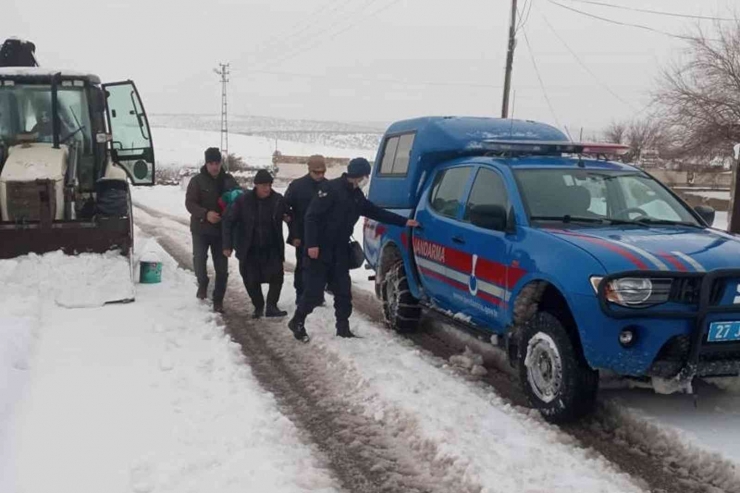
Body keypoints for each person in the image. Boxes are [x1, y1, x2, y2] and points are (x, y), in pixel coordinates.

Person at [288, 157, 420, 342]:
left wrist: (404, 221)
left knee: (343, 291)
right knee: (313, 292)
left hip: (340, 249)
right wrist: (312, 245)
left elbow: (375, 212)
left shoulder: (356, 194)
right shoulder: (330, 189)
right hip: (321, 249)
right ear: (359, 174)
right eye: (366, 175)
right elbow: (311, 217)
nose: (366, 178)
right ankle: (297, 321)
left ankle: (343, 328)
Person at [223, 169, 289, 319]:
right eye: (263, 185)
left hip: (272, 247)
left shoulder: (278, 199)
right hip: (249, 247)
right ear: (256, 185)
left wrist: (289, 219)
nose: (267, 188)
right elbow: (228, 221)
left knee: (277, 277)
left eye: (269, 185)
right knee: (250, 279)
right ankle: (258, 305)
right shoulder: (243, 201)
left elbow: (290, 214)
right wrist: (227, 245)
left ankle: (272, 306)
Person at [185, 147, 238, 313]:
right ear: (206, 164)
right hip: (200, 229)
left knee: (222, 268)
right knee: (199, 260)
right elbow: (190, 204)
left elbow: (239, 199)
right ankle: (202, 282)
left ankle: (218, 300)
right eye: (211, 163)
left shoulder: (229, 180)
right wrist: (205, 214)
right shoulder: (197, 181)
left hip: (221, 232)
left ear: (221, 163)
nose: (214, 167)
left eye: (217, 163)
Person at [283, 154, 327, 303]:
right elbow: (286, 208)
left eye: (323, 172)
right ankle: (300, 294)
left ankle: (318, 294)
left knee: (320, 266)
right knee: (303, 265)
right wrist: (294, 233)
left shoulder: (329, 186)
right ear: (309, 169)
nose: (320, 175)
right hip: (301, 234)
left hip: (322, 235)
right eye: (316, 172)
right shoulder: (297, 186)